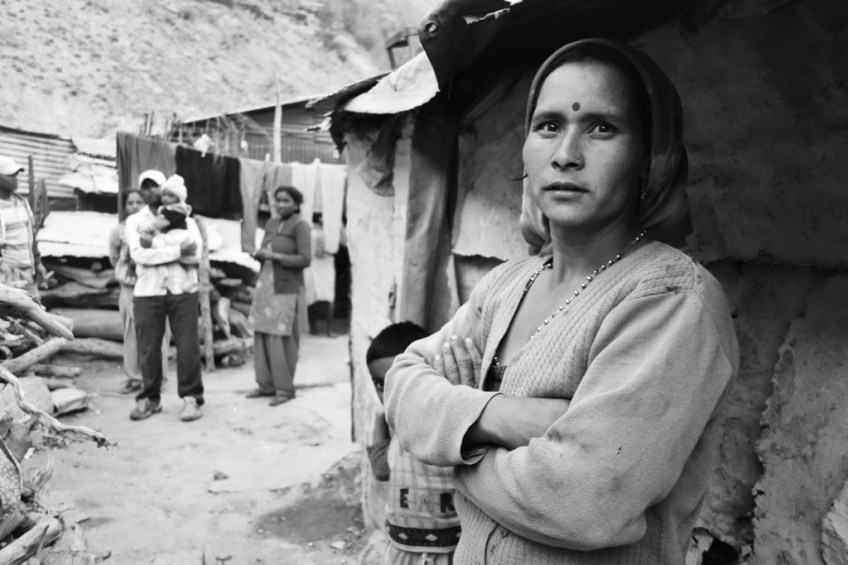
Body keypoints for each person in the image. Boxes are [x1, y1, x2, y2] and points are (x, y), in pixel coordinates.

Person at [384, 38, 739, 564]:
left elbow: (583, 501)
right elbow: (401, 382)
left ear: (650, 157)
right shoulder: (507, 284)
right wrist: (500, 416)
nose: (566, 154)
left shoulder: (669, 300)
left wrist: (450, 442)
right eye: (549, 125)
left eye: (602, 128)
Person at [366, 322, 461, 565]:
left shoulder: (453, 424)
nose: (391, 393)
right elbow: (381, 470)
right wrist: (380, 416)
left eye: (403, 382)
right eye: (381, 384)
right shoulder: (397, 429)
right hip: (404, 550)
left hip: (456, 550)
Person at [126, 173, 205, 422]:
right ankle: (150, 398)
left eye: (156, 186)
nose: (151, 191)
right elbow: (138, 255)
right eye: (145, 186)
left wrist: (157, 248)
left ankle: (191, 398)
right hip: (147, 291)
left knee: (188, 345)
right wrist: (178, 251)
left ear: (165, 190)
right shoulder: (135, 221)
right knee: (149, 347)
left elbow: (195, 255)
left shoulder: (187, 221)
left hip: (184, 289)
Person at [246, 186, 311, 406]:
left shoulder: (301, 226)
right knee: (262, 335)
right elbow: (266, 253)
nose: (280, 204)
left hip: (286, 289)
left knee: (281, 339)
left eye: (286, 200)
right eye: (278, 200)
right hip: (265, 286)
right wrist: (258, 255)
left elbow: (305, 259)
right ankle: (265, 385)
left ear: (296, 204)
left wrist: (273, 256)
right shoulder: (271, 224)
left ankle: (284, 389)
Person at [108, 189, 169, 394]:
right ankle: (135, 378)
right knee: (131, 331)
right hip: (129, 287)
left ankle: (159, 378)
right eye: (130, 202)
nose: (134, 206)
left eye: (139, 202)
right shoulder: (119, 230)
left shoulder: (158, 226)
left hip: (153, 285)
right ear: (125, 206)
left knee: (158, 331)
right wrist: (127, 272)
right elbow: (114, 257)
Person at [0, 155, 47, 297]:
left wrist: (38, 263)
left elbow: (31, 238)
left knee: (35, 306)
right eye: (10, 175)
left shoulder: (23, 203)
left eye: (17, 174)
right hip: (6, 273)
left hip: (27, 271)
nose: (16, 178)